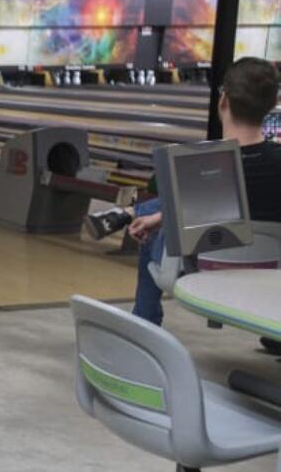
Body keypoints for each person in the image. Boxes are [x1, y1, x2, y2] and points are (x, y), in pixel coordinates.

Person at [87, 57, 281, 326]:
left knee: (154, 230)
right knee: (159, 215)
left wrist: (159, 219)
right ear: (272, 104)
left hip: (203, 270)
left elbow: (192, 218)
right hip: (271, 275)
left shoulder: (199, 163)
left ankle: (144, 321)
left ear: (223, 101)